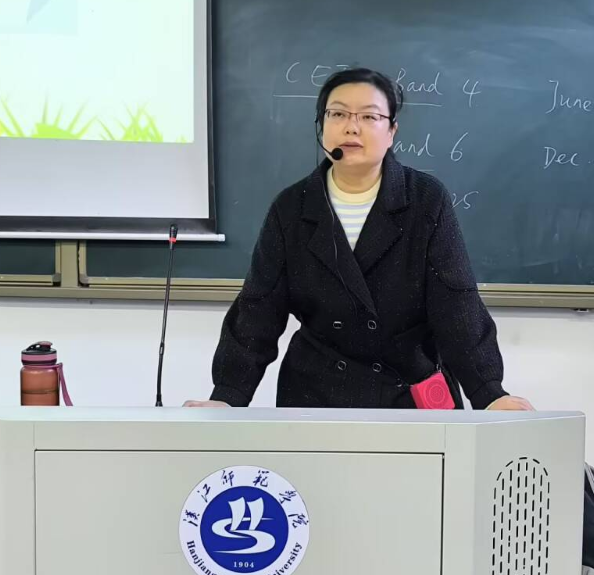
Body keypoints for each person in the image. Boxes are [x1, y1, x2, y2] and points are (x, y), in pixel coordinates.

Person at [186, 68, 532, 411]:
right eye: (337, 114)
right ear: (321, 125)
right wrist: (227, 396)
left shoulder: (425, 200)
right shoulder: (292, 207)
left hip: (407, 394)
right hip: (316, 396)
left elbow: (456, 304)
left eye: (369, 116)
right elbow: (258, 310)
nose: (351, 127)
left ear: (391, 131)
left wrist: (489, 393)